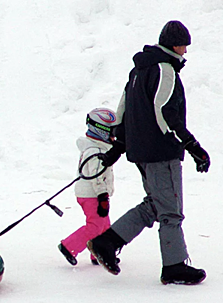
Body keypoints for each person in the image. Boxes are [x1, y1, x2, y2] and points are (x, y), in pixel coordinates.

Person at [87, 20, 209, 285]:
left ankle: (107, 242)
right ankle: (175, 266)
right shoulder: (165, 69)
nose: (185, 52)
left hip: (142, 153)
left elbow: (122, 113)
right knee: (171, 211)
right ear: (175, 45)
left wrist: (117, 149)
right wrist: (193, 146)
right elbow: (165, 112)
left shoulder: (137, 71)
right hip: (161, 152)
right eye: (184, 46)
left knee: (156, 204)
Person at [58, 108, 118, 266]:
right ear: (102, 131)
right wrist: (102, 197)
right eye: (112, 131)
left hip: (93, 193)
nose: (114, 136)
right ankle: (68, 246)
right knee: (95, 227)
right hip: (92, 195)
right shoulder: (95, 151)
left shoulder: (98, 148)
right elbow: (97, 178)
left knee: (104, 226)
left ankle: (99, 252)